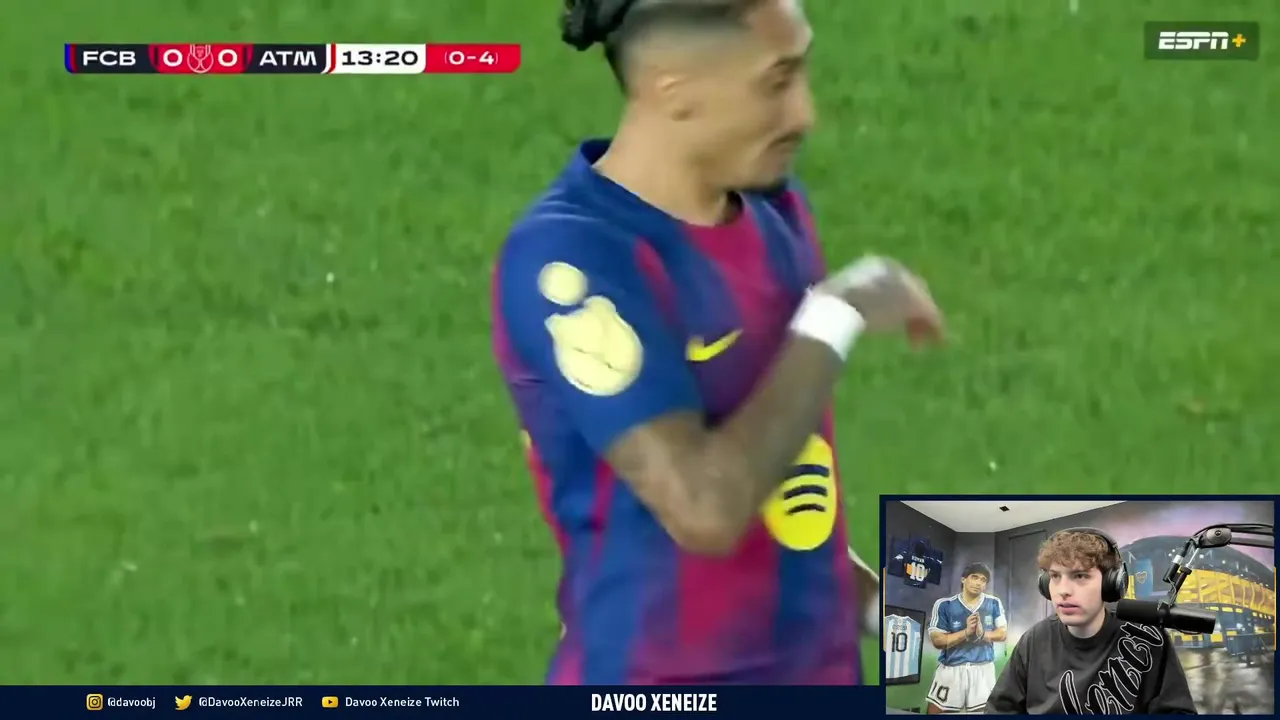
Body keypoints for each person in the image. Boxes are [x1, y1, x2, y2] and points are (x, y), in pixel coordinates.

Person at [489, 0, 945, 684]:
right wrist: (836, 314)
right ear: (675, 91)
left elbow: (785, 503)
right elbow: (705, 509)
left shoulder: (776, 212)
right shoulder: (572, 261)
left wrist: (921, 625)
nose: (804, 113)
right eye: (776, 82)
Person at [984, 528, 1196, 714]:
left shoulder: (1147, 638)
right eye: (1055, 576)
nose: (1063, 591)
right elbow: (1000, 710)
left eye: (1080, 576)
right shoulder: (1034, 640)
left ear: (1111, 583)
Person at [925, 563, 1007, 713]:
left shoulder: (993, 603)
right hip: (952, 668)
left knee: (983, 712)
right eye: (974, 577)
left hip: (983, 669)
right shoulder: (945, 605)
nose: (978, 583)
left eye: (983, 580)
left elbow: (1002, 633)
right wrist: (966, 632)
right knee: (937, 712)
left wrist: (982, 634)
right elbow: (938, 640)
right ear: (963, 579)